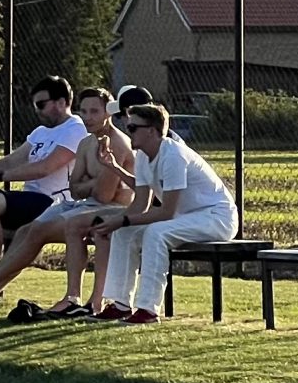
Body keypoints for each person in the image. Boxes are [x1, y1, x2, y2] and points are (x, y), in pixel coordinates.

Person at [0, 85, 136, 313]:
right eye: (84, 111)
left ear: (108, 113)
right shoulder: (86, 142)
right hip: (82, 205)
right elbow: (74, 189)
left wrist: (90, 184)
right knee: (27, 231)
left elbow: (104, 196)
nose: (88, 118)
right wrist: (94, 183)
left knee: (38, 231)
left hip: (110, 210)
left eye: (95, 112)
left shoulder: (117, 143)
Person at [86, 103, 240, 324]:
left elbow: (166, 212)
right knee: (123, 234)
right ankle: (120, 305)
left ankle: (148, 310)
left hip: (217, 218)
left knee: (156, 233)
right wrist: (117, 221)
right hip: (186, 218)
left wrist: (121, 219)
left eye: (133, 127)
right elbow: (140, 203)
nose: (128, 131)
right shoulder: (142, 156)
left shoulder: (173, 155)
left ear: (152, 130)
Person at [0, 76, 86, 274]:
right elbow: (12, 160)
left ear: (62, 103)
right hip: (30, 199)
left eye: (41, 104)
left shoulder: (76, 129)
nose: (37, 110)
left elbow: (45, 168)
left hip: (53, 203)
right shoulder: (40, 132)